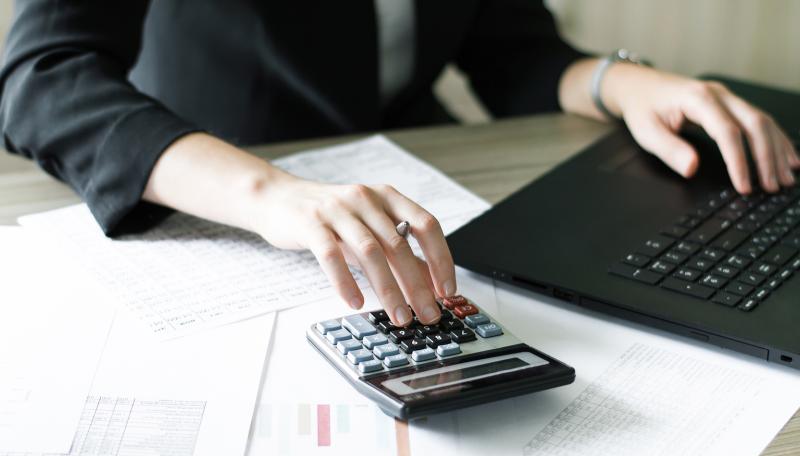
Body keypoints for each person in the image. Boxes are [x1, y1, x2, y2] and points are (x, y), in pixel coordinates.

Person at [1, 1, 797, 328]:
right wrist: (270, 195)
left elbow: (511, 51)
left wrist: (619, 81)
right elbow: (41, 77)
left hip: (419, 171)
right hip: (214, 177)